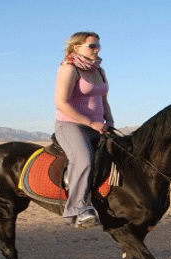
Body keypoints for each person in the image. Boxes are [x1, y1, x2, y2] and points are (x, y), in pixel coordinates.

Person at [54, 31, 114, 228]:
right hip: (71, 125)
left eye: (98, 46)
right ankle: (78, 209)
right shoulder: (69, 69)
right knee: (84, 159)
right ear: (76, 47)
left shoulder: (99, 70)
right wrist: (90, 123)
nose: (97, 49)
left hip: (98, 126)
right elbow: (61, 103)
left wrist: (110, 121)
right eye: (92, 46)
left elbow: (103, 100)